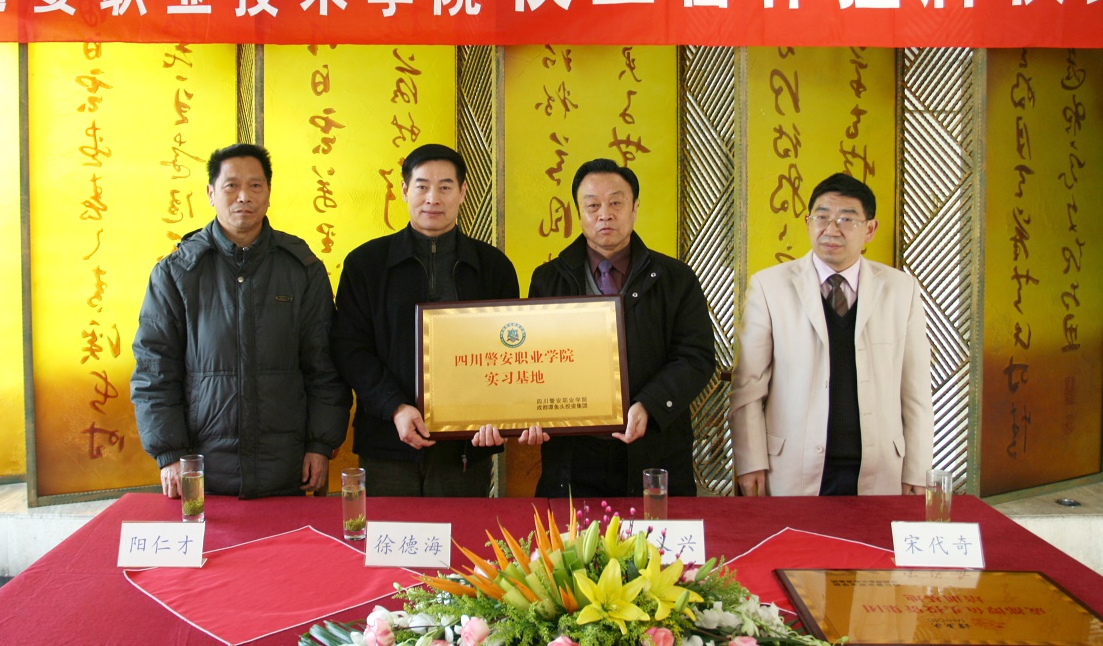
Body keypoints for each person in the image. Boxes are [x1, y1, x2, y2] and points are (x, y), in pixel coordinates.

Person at [484, 158, 716, 497]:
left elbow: (696, 356)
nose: (604, 214)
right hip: (574, 456)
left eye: (616, 203)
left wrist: (651, 404)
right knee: (571, 532)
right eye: (592, 205)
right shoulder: (549, 279)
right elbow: (534, 359)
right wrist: (530, 411)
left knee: (653, 532)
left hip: (654, 445)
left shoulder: (675, 279)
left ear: (635, 208)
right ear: (579, 213)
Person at [130, 143, 351, 499]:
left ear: (268, 193)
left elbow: (324, 365)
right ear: (210, 193)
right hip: (201, 468)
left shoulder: (301, 268)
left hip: (286, 466)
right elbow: (154, 369)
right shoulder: (177, 272)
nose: (243, 196)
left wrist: (320, 444)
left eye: (255, 185)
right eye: (231, 185)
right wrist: (169, 453)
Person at [330, 143, 519, 496]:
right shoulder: (366, 264)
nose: (433, 198)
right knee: (390, 532)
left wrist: (498, 413)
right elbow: (350, 348)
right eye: (422, 186)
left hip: (466, 448)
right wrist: (394, 407)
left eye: (445, 187)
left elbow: (510, 349)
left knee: (463, 531)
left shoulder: (493, 267)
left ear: (462, 192)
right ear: (405, 190)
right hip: (387, 441)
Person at [728, 173, 933, 496]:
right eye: (821, 217)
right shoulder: (770, 286)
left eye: (847, 219)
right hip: (791, 468)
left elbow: (916, 390)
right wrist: (750, 461)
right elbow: (748, 386)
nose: (831, 229)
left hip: (880, 469)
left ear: (870, 229)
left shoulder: (900, 289)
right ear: (808, 222)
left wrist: (918, 471)